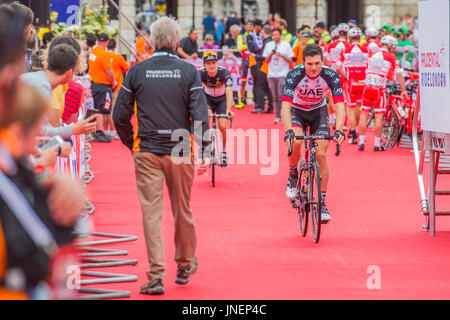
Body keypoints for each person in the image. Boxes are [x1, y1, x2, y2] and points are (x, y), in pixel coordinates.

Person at [113, 17, 210, 296]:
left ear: (153, 41)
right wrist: (204, 150)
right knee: (183, 208)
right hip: (179, 148)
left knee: (151, 214)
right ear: (177, 42)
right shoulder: (189, 71)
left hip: (147, 148)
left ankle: (156, 275)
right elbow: (199, 114)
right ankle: (184, 263)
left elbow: (120, 115)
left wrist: (131, 143)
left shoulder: (137, 70)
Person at [281, 44, 346, 222]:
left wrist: (339, 129)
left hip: (319, 111)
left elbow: (340, 105)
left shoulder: (330, 75)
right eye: (309, 64)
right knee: (296, 142)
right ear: (303, 63)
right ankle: (293, 174)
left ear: (323, 61)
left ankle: (322, 202)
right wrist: (288, 131)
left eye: (317, 63)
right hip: (297, 110)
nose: (314, 68)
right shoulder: (294, 74)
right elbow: (285, 106)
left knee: (322, 154)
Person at [357, 35, 407, 152]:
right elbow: (399, 75)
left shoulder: (373, 54)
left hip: (367, 88)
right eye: (393, 46)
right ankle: (377, 144)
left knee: (364, 114)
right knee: (379, 116)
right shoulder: (391, 57)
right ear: (389, 45)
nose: (394, 48)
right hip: (379, 90)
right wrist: (403, 90)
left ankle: (361, 141)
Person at [200, 51, 234, 166]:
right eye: (208, 63)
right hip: (207, 98)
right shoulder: (200, 73)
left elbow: (229, 92)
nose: (211, 66)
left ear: (217, 63)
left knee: (223, 126)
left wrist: (228, 110)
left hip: (221, 99)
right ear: (204, 64)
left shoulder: (224, 72)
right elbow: (197, 94)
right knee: (207, 119)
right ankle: (207, 147)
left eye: (214, 62)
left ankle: (223, 152)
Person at [89, 33, 117, 143]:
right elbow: (110, 72)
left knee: (97, 108)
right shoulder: (104, 55)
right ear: (107, 42)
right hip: (103, 85)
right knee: (101, 109)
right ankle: (99, 132)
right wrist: (113, 82)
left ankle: (98, 131)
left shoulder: (93, 53)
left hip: (95, 84)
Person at [343, 27, 369, 145]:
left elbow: (338, 67)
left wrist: (345, 76)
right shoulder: (366, 50)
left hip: (351, 81)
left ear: (350, 37)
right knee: (358, 106)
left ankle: (353, 133)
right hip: (363, 81)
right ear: (360, 37)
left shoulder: (346, 50)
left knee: (350, 108)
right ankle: (357, 130)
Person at [263, 27, 294, 124]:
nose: (275, 36)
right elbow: (266, 60)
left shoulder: (286, 45)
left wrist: (281, 55)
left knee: (282, 95)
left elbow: (290, 60)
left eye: (277, 35)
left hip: (283, 73)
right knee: (275, 96)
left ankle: (286, 114)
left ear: (280, 35)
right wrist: (271, 54)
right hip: (271, 74)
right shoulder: (268, 45)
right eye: (274, 35)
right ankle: (277, 116)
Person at [107, 38, 129, 139]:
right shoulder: (118, 57)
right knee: (113, 109)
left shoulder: (104, 56)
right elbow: (126, 68)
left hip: (105, 85)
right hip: (116, 86)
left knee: (105, 109)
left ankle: (105, 130)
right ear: (115, 46)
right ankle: (112, 131)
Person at [247, 19, 266, 114]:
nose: (262, 28)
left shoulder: (261, 35)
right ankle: (257, 104)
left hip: (260, 61)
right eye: (260, 26)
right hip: (253, 62)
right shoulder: (250, 35)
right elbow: (251, 49)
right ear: (256, 26)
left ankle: (260, 104)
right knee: (256, 84)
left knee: (260, 84)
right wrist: (261, 50)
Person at [236, 20, 254, 109]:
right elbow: (239, 47)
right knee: (243, 81)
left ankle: (257, 102)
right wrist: (248, 46)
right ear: (245, 27)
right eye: (247, 26)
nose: (248, 28)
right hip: (244, 59)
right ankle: (242, 101)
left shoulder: (255, 35)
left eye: (250, 26)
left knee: (257, 81)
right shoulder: (241, 35)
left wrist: (246, 45)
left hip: (253, 59)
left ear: (253, 27)